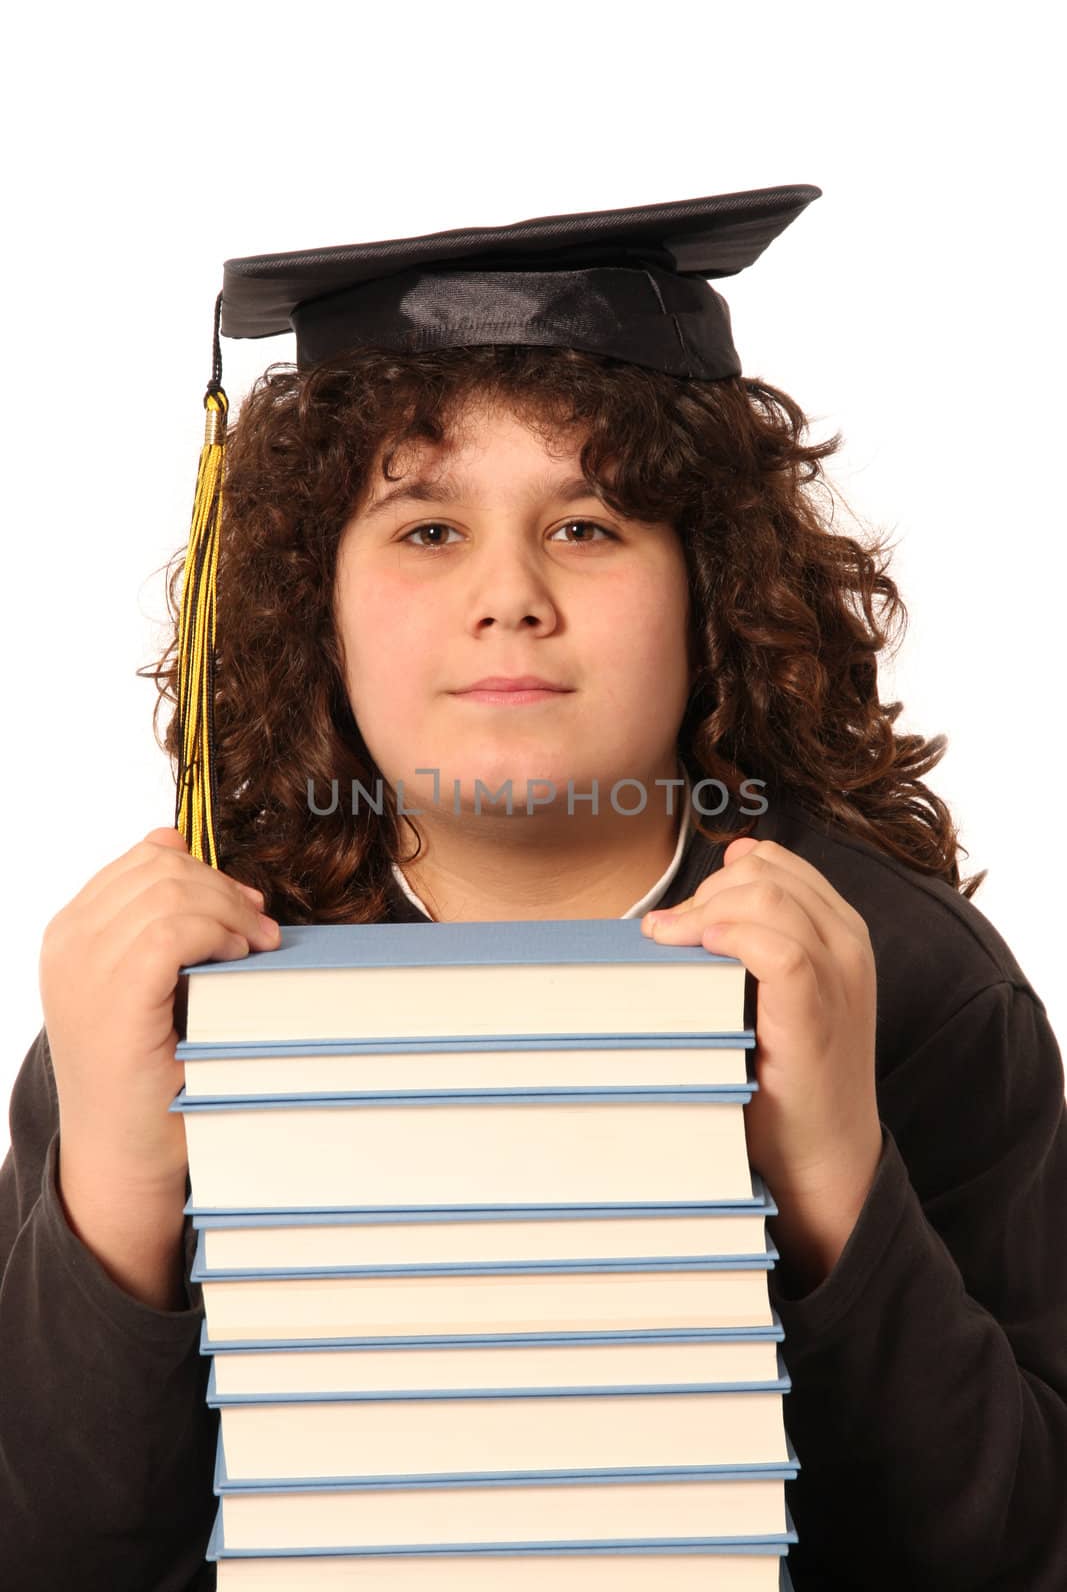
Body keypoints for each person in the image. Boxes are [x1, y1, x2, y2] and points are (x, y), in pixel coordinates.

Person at [1, 186, 1064, 1591]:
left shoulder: (902, 978)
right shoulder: (167, 996)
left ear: (713, 590)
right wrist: (121, 1187)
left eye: (590, 526)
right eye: (426, 531)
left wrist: (838, 1178)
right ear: (310, 599)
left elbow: (1021, 1552)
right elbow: (53, 1556)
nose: (509, 597)